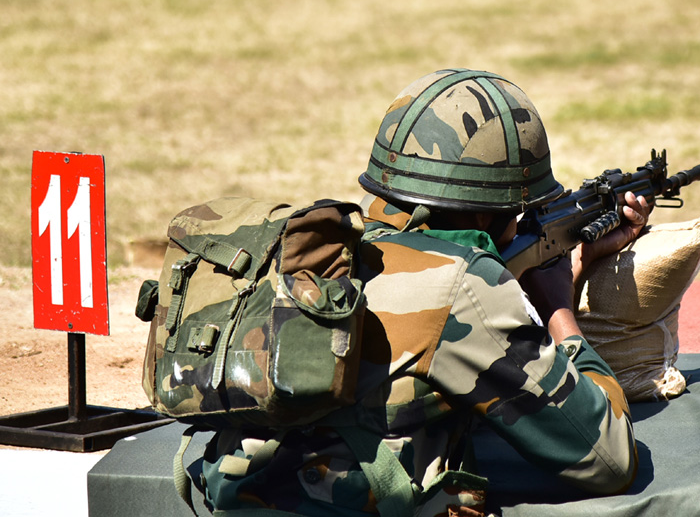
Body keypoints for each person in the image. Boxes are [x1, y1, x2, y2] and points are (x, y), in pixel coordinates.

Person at [199, 69, 646, 516]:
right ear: (494, 213)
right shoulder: (464, 286)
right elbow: (608, 457)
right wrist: (559, 309)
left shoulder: (329, 254)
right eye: (522, 212)